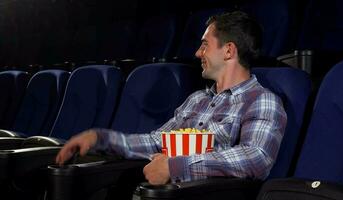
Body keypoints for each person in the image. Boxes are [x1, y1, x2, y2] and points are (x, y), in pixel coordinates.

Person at [56, 11, 287, 185]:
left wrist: (176, 167)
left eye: (205, 45)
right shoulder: (197, 100)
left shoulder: (261, 100)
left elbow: (256, 158)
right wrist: (100, 138)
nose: (198, 53)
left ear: (228, 51)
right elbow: (157, 142)